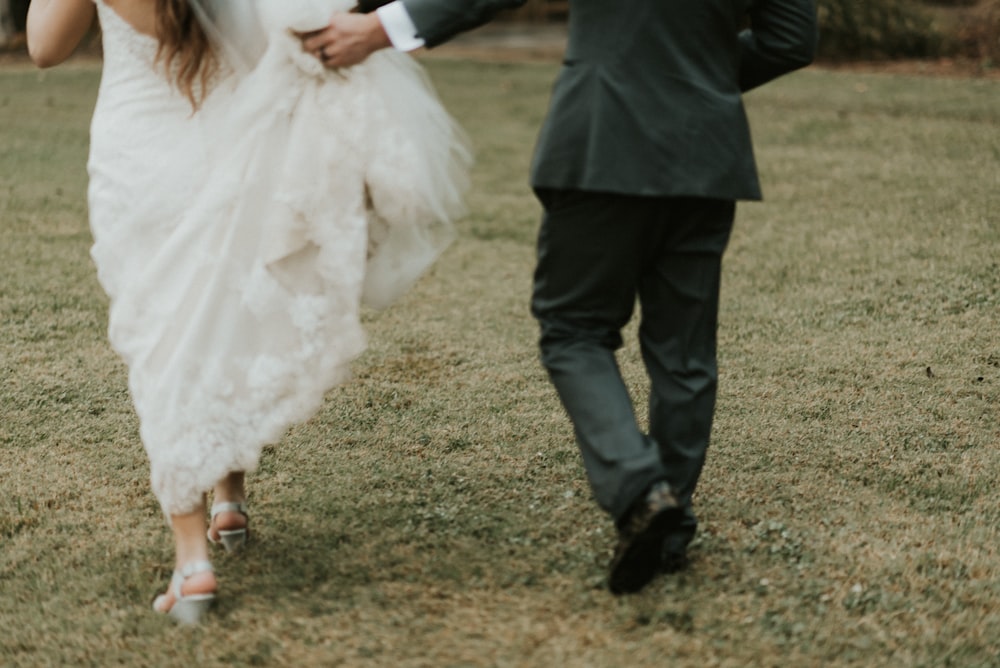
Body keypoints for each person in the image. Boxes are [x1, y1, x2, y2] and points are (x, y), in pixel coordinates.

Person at [302, 0, 818, 594]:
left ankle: (641, 491)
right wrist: (694, 80)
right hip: (704, 148)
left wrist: (378, 28)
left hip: (605, 136)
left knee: (574, 329)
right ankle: (669, 524)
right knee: (684, 348)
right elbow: (790, 41)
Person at [27, 0, 470, 623]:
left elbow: (44, 46)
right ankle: (228, 499)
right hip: (232, 144)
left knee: (164, 340)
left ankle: (191, 561)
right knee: (222, 319)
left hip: (142, 155)